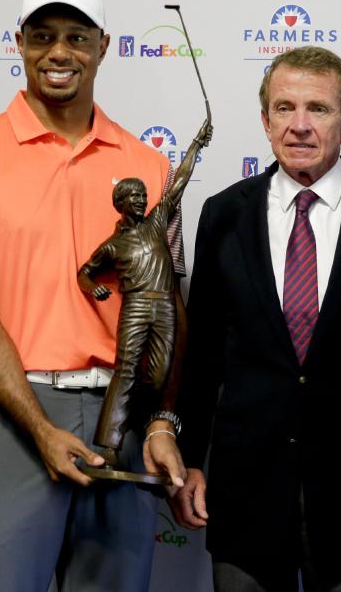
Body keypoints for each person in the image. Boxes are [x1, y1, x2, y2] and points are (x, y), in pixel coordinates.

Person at [0, 0, 188, 592]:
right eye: (42, 36)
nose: (58, 52)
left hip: (120, 419)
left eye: (75, 36)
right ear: (19, 43)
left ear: (104, 45)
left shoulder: (147, 165)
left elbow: (170, 308)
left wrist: (159, 422)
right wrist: (40, 429)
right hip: (14, 415)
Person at [171, 46, 341, 592]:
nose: (299, 125)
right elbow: (202, 356)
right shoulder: (223, 214)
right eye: (284, 107)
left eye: (317, 109)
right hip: (243, 492)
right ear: (265, 120)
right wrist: (189, 460)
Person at [78, 116, 209, 465]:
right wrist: (93, 288)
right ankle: (108, 444)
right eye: (133, 195)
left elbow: (178, 184)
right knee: (126, 369)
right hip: (135, 307)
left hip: (164, 306)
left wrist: (196, 144)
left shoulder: (156, 222)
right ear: (120, 202)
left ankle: (138, 424)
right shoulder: (113, 244)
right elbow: (85, 272)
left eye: (142, 194)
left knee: (158, 375)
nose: (140, 199)